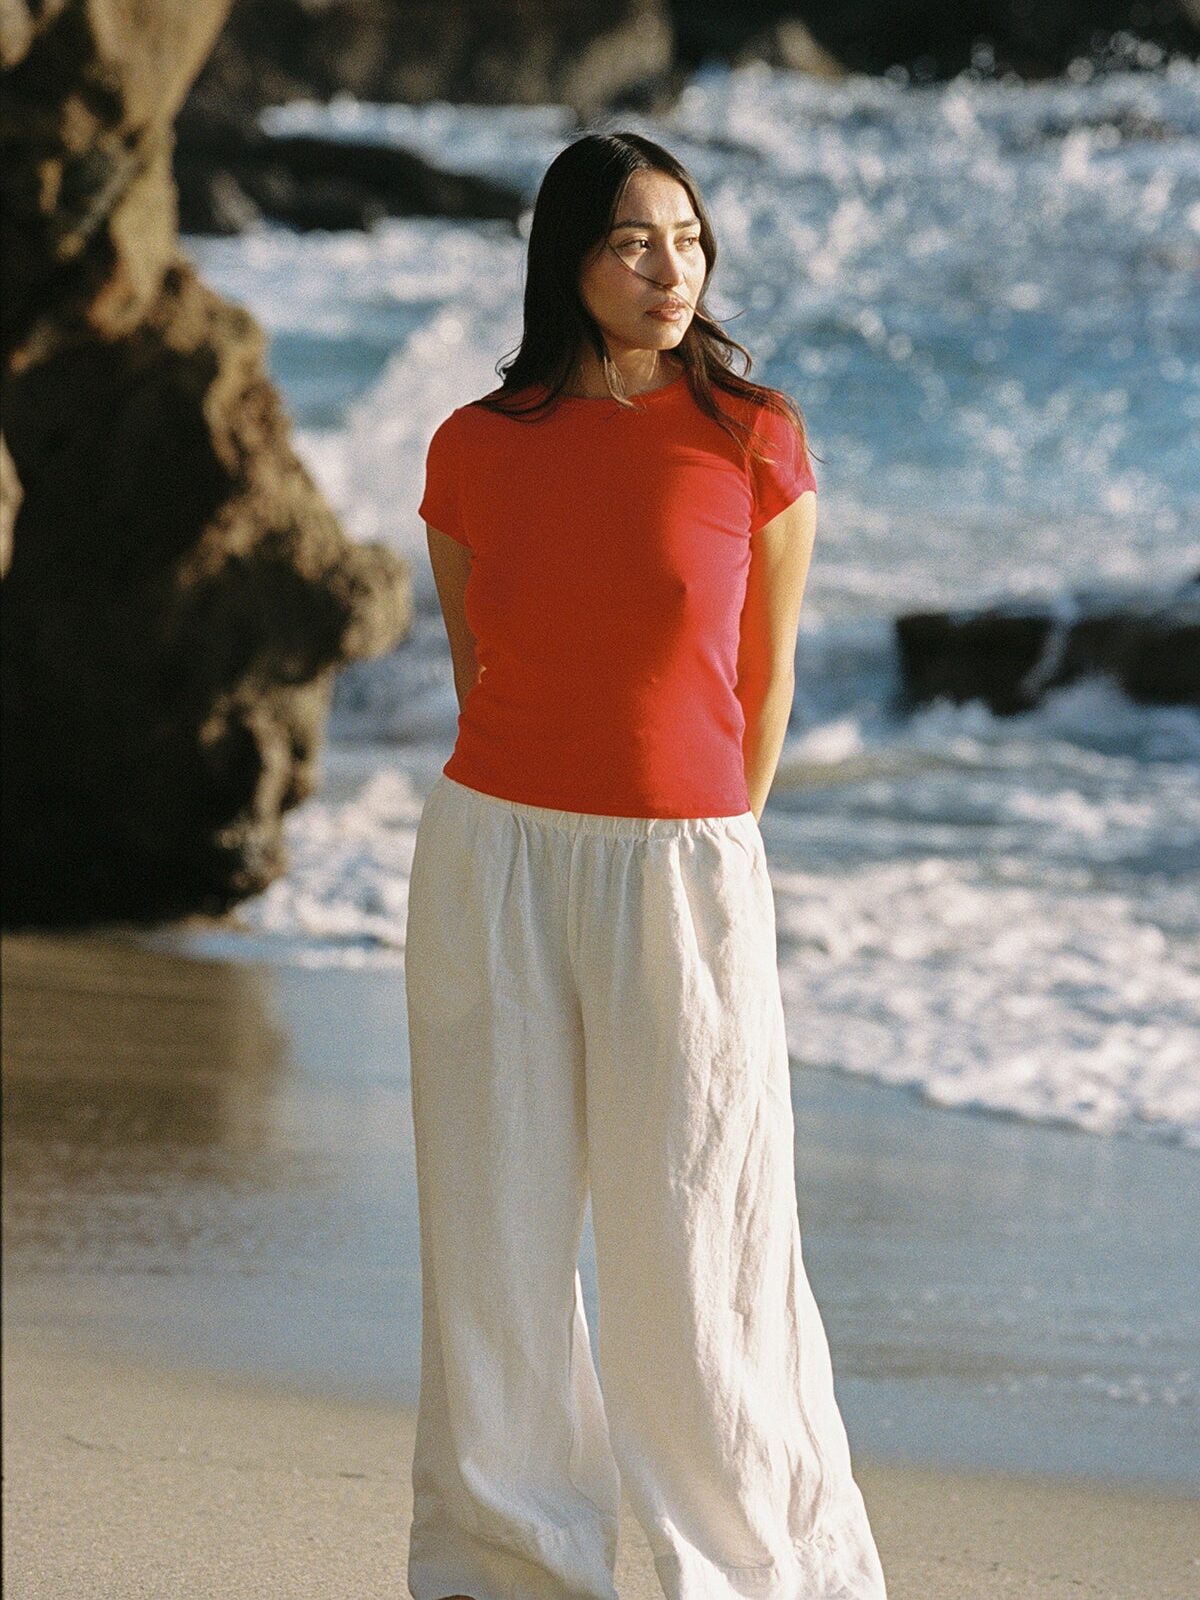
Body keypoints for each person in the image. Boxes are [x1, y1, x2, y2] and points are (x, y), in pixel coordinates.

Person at [404, 130, 887, 1600]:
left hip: (683, 865)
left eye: (687, 237)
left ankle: (743, 1572)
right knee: (495, 1235)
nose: (671, 268)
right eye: (633, 241)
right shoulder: (472, 447)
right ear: (568, 259)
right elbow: (483, 662)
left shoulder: (754, 436)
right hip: (496, 855)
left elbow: (765, 681)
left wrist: (706, 841)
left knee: (701, 1240)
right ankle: (505, 1569)